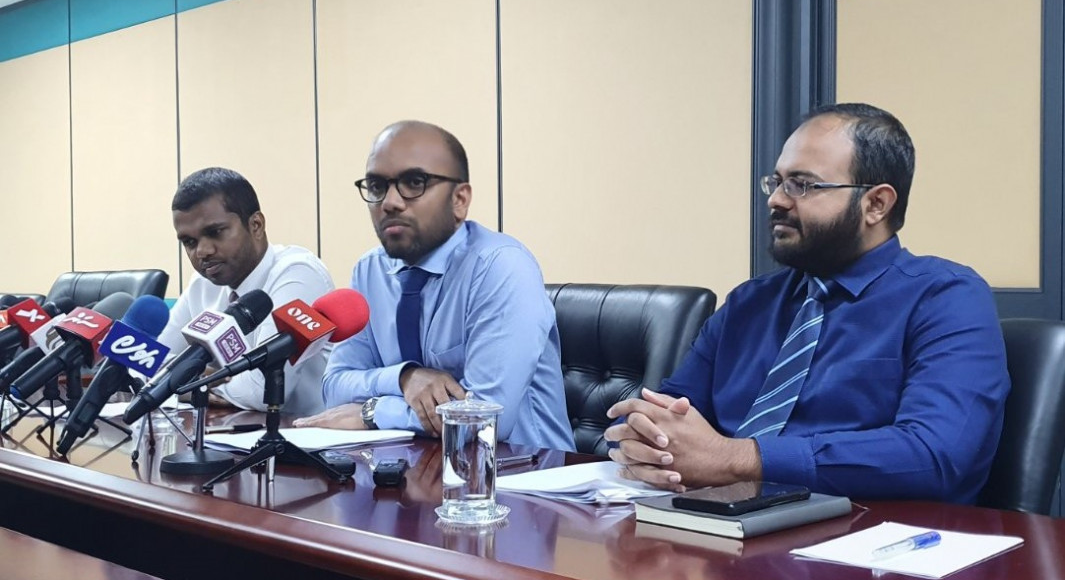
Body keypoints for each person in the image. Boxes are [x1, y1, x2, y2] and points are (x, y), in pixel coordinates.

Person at [605, 103, 1009, 504]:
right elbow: (664, 411)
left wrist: (737, 459)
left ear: (876, 204)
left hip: (870, 532)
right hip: (717, 521)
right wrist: (645, 437)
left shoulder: (946, 297)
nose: (777, 200)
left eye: (803, 185)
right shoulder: (750, 302)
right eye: (777, 182)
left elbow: (934, 455)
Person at [294, 121, 573, 451]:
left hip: (523, 472)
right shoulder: (370, 271)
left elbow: (483, 419)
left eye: (414, 182)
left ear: (460, 199)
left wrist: (374, 411)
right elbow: (334, 388)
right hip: (412, 467)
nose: (390, 202)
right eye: (377, 186)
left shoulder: (501, 267)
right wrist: (405, 377)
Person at [158, 167, 334, 415]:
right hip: (232, 430)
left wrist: (193, 384)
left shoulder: (299, 273)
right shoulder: (202, 284)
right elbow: (153, 364)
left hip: (304, 435)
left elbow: (262, 390)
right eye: (189, 242)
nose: (202, 251)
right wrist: (208, 381)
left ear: (256, 225)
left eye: (215, 232)